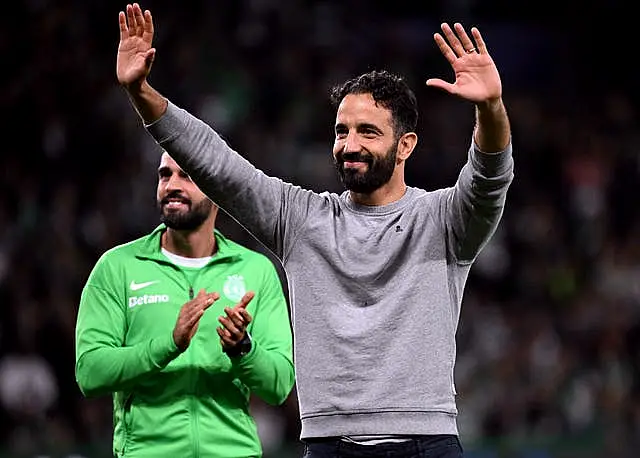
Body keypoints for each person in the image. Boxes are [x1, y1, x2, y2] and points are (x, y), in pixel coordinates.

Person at [116, 4, 514, 457]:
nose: (350, 145)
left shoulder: (443, 220)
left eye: (368, 132)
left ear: (406, 145)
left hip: (426, 440)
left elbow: (488, 179)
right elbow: (218, 166)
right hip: (328, 444)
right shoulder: (302, 220)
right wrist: (142, 93)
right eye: (342, 131)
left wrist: (491, 107)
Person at [74, 151, 295, 458]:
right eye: (165, 175)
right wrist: (168, 344)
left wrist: (242, 348)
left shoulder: (255, 271)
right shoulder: (117, 267)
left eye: (187, 175)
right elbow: (90, 372)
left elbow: (279, 384)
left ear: (218, 189)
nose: (171, 185)